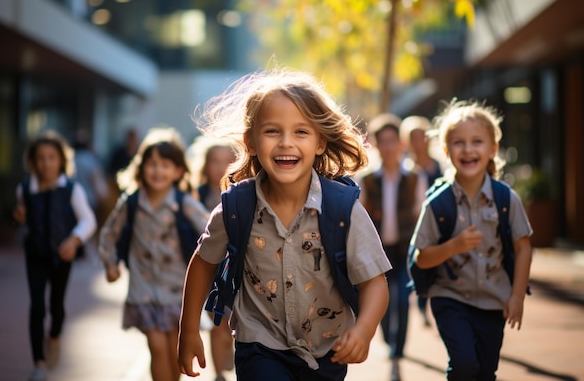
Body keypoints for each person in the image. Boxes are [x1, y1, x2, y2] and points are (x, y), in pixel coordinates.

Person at [178, 68, 391, 381]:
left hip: (327, 349)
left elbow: (374, 282)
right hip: (259, 344)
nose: (286, 143)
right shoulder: (237, 208)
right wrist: (188, 329)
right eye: (272, 131)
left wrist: (364, 330)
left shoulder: (343, 210)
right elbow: (203, 263)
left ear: (320, 142)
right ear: (250, 142)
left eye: (301, 132)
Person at [410, 100, 533, 381]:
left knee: (486, 371)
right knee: (465, 365)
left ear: (492, 149)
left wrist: (517, 296)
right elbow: (422, 256)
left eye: (477, 141)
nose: (467, 149)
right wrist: (453, 246)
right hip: (450, 297)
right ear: (446, 150)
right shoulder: (438, 203)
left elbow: (523, 247)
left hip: (494, 300)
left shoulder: (505, 199)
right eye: (458, 143)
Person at [99, 127, 209, 381]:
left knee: (173, 347)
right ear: (140, 167)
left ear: (178, 171)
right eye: (152, 164)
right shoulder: (132, 202)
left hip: (176, 287)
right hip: (143, 286)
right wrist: (110, 264)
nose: (158, 171)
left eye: (165, 165)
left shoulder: (184, 202)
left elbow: (210, 229)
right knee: (157, 346)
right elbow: (108, 235)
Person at [12, 130, 97, 381]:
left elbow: (88, 220)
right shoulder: (25, 188)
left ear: (61, 160)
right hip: (35, 254)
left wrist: (74, 240)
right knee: (37, 306)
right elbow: (22, 216)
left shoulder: (72, 189)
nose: (46, 163)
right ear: (32, 161)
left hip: (62, 255)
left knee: (56, 306)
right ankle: (38, 363)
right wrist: (18, 218)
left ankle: (55, 336)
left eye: (51, 157)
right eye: (40, 158)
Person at [357, 113, 427, 381]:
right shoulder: (367, 180)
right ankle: (388, 340)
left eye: (392, 140)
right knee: (383, 303)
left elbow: (420, 212)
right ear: (375, 144)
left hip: (404, 250)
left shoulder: (414, 178)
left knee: (402, 300)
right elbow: (360, 215)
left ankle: (398, 352)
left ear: (400, 143)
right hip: (377, 252)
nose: (387, 146)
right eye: (382, 141)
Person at [189, 138, 237, 381]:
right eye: (214, 162)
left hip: (238, 270)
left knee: (234, 325)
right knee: (217, 323)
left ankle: (230, 349)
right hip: (209, 271)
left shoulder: (242, 194)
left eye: (226, 162)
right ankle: (219, 374)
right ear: (205, 165)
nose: (220, 167)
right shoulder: (194, 196)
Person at [400, 115, 443, 327]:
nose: (418, 142)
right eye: (414, 138)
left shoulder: (438, 165)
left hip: (439, 224)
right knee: (416, 264)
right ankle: (419, 304)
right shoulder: (406, 168)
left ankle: (430, 304)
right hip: (413, 225)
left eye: (422, 137)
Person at [72, 129, 110, 257]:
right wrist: (103, 195)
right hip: (89, 198)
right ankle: (86, 250)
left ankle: (77, 249)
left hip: (71, 197)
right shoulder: (90, 160)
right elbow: (96, 180)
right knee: (88, 223)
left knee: (75, 223)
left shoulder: (71, 159)